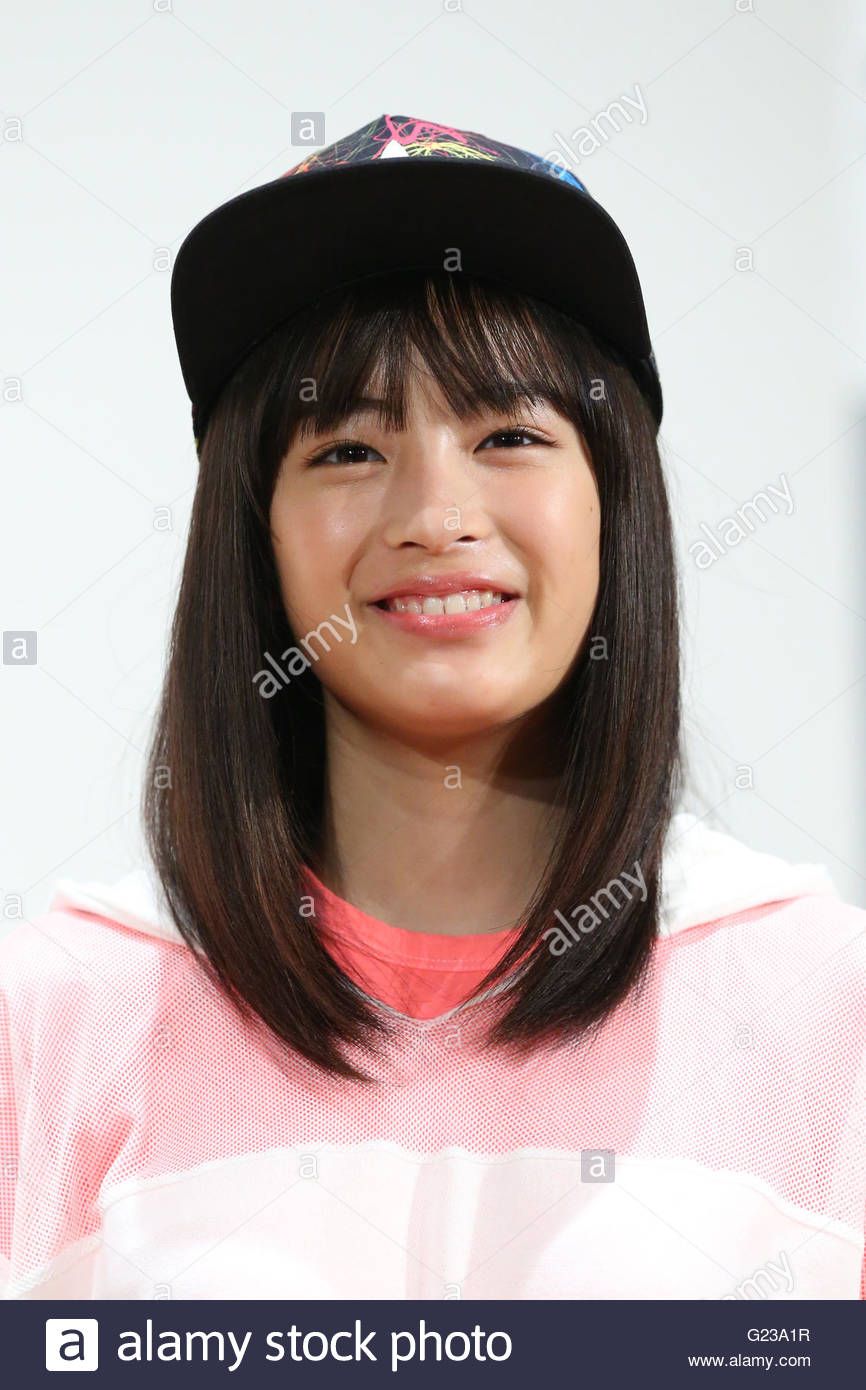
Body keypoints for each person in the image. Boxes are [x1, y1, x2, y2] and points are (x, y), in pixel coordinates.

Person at [2, 114, 864, 1300]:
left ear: (614, 503)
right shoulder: (55, 1017)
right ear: (253, 536)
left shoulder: (821, 1002)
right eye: (347, 450)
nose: (434, 515)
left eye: (508, 433)